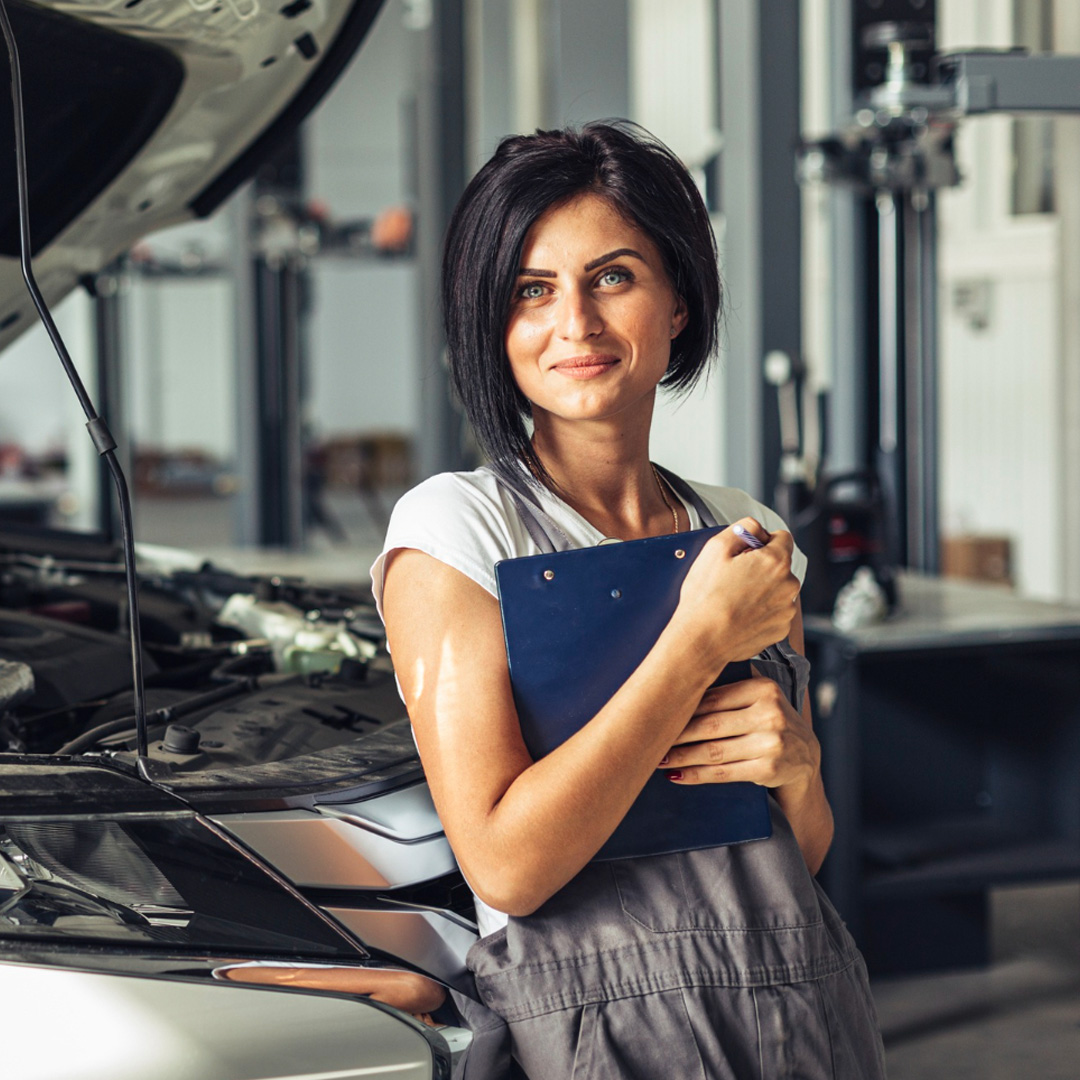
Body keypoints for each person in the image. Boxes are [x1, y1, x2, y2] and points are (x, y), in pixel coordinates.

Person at [372, 122, 885, 1079]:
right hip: (602, 1027)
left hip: (800, 998)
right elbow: (508, 868)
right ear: (494, 322)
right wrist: (697, 641)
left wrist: (798, 768)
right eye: (533, 290)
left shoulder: (750, 532)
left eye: (612, 276)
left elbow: (800, 852)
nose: (577, 323)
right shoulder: (458, 531)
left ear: (679, 301)